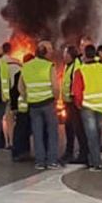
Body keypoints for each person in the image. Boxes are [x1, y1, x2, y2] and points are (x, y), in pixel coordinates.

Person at [70, 46, 102, 172]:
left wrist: (79, 104)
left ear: (84, 55)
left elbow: (76, 91)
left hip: (88, 107)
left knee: (91, 135)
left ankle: (96, 163)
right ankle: (96, 160)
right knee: (97, 133)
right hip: (101, 106)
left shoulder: (81, 70)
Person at [20, 41, 59, 169]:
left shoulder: (26, 66)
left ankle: (40, 161)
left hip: (33, 104)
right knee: (52, 132)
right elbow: (55, 86)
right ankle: (52, 161)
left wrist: (27, 97)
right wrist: (56, 99)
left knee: (37, 133)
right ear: (46, 54)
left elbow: (20, 86)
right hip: (47, 103)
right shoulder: (49, 66)